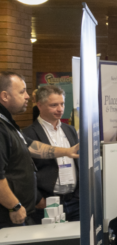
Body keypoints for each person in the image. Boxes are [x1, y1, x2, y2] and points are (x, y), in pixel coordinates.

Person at [1, 72, 79, 228]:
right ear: (5, 96)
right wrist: (14, 205)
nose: (28, 96)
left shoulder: (9, 124)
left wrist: (66, 152)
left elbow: (32, 146)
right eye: (22, 91)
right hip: (12, 214)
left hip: (70, 202)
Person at [21, 84, 80, 221]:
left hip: (75, 201)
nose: (60, 109)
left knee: (77, 241)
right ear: (39, 105)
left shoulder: (70, 130)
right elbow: (25, 172)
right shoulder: (28, 134)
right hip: (47, 203)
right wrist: (38, 198)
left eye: (62, 104)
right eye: (54, 105)